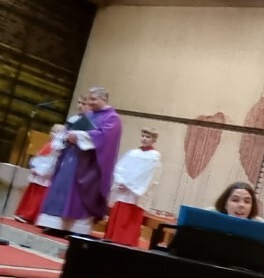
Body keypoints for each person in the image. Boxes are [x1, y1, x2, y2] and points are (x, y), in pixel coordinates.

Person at [37, 87, 123, 236]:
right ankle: (56, 225)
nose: (90, 102)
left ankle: (75, 228)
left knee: (78, 195)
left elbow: (105, 137)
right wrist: (67, 134)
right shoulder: (88, 114)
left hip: (89, 165)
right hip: (71, 157)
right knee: (61, 188)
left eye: (94, 99)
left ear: (104, 99)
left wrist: (79, 136)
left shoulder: (112, 118)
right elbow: (69, 130)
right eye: (89, 99)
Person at [104, 127, 161, 246]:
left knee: (129, 220)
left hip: (134, 193)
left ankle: (125, 242)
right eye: (143, 136)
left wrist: (129, 186)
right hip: (123, 191)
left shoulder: (154, 156)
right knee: (118, 217)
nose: (144, 139)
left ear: (154, 140)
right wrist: (120, 181)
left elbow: (147, 176)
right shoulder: (133, 153)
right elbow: (120, 168)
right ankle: (112, 240)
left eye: (148, 137)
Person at [14, 124, 65, 224]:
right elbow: (40, 156)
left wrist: (41, 171)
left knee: (37, 196)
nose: (52, 133)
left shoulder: (57, 147)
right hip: (37, 173)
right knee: (31, 195)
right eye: (52, 131)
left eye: (56, 132)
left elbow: (52, 161)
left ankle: (29, 216)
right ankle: (23, 213)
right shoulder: (49, 144)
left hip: (44, 175)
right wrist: (34, 166)